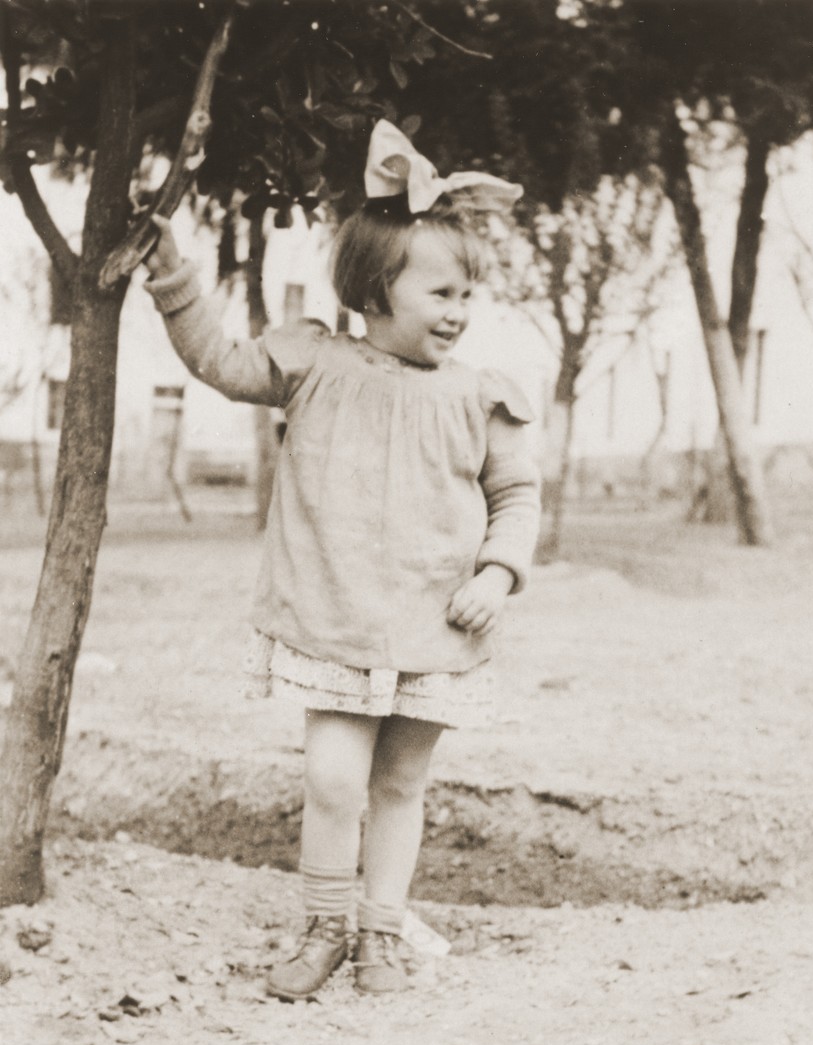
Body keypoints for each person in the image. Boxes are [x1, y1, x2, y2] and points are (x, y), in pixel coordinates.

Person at [144, 120, 541, 1000]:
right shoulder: (315, 362)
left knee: (400, 783)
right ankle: (324, 926)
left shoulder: (480, 398)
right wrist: (169, 266)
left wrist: (497, 573)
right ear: (374, 286)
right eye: (441, 293)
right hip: (334, 616)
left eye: (468, 296)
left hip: (434, 624)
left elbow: (516, 496)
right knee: (332, 777)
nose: (458, 312)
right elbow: (216, 359)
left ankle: (381, 938)